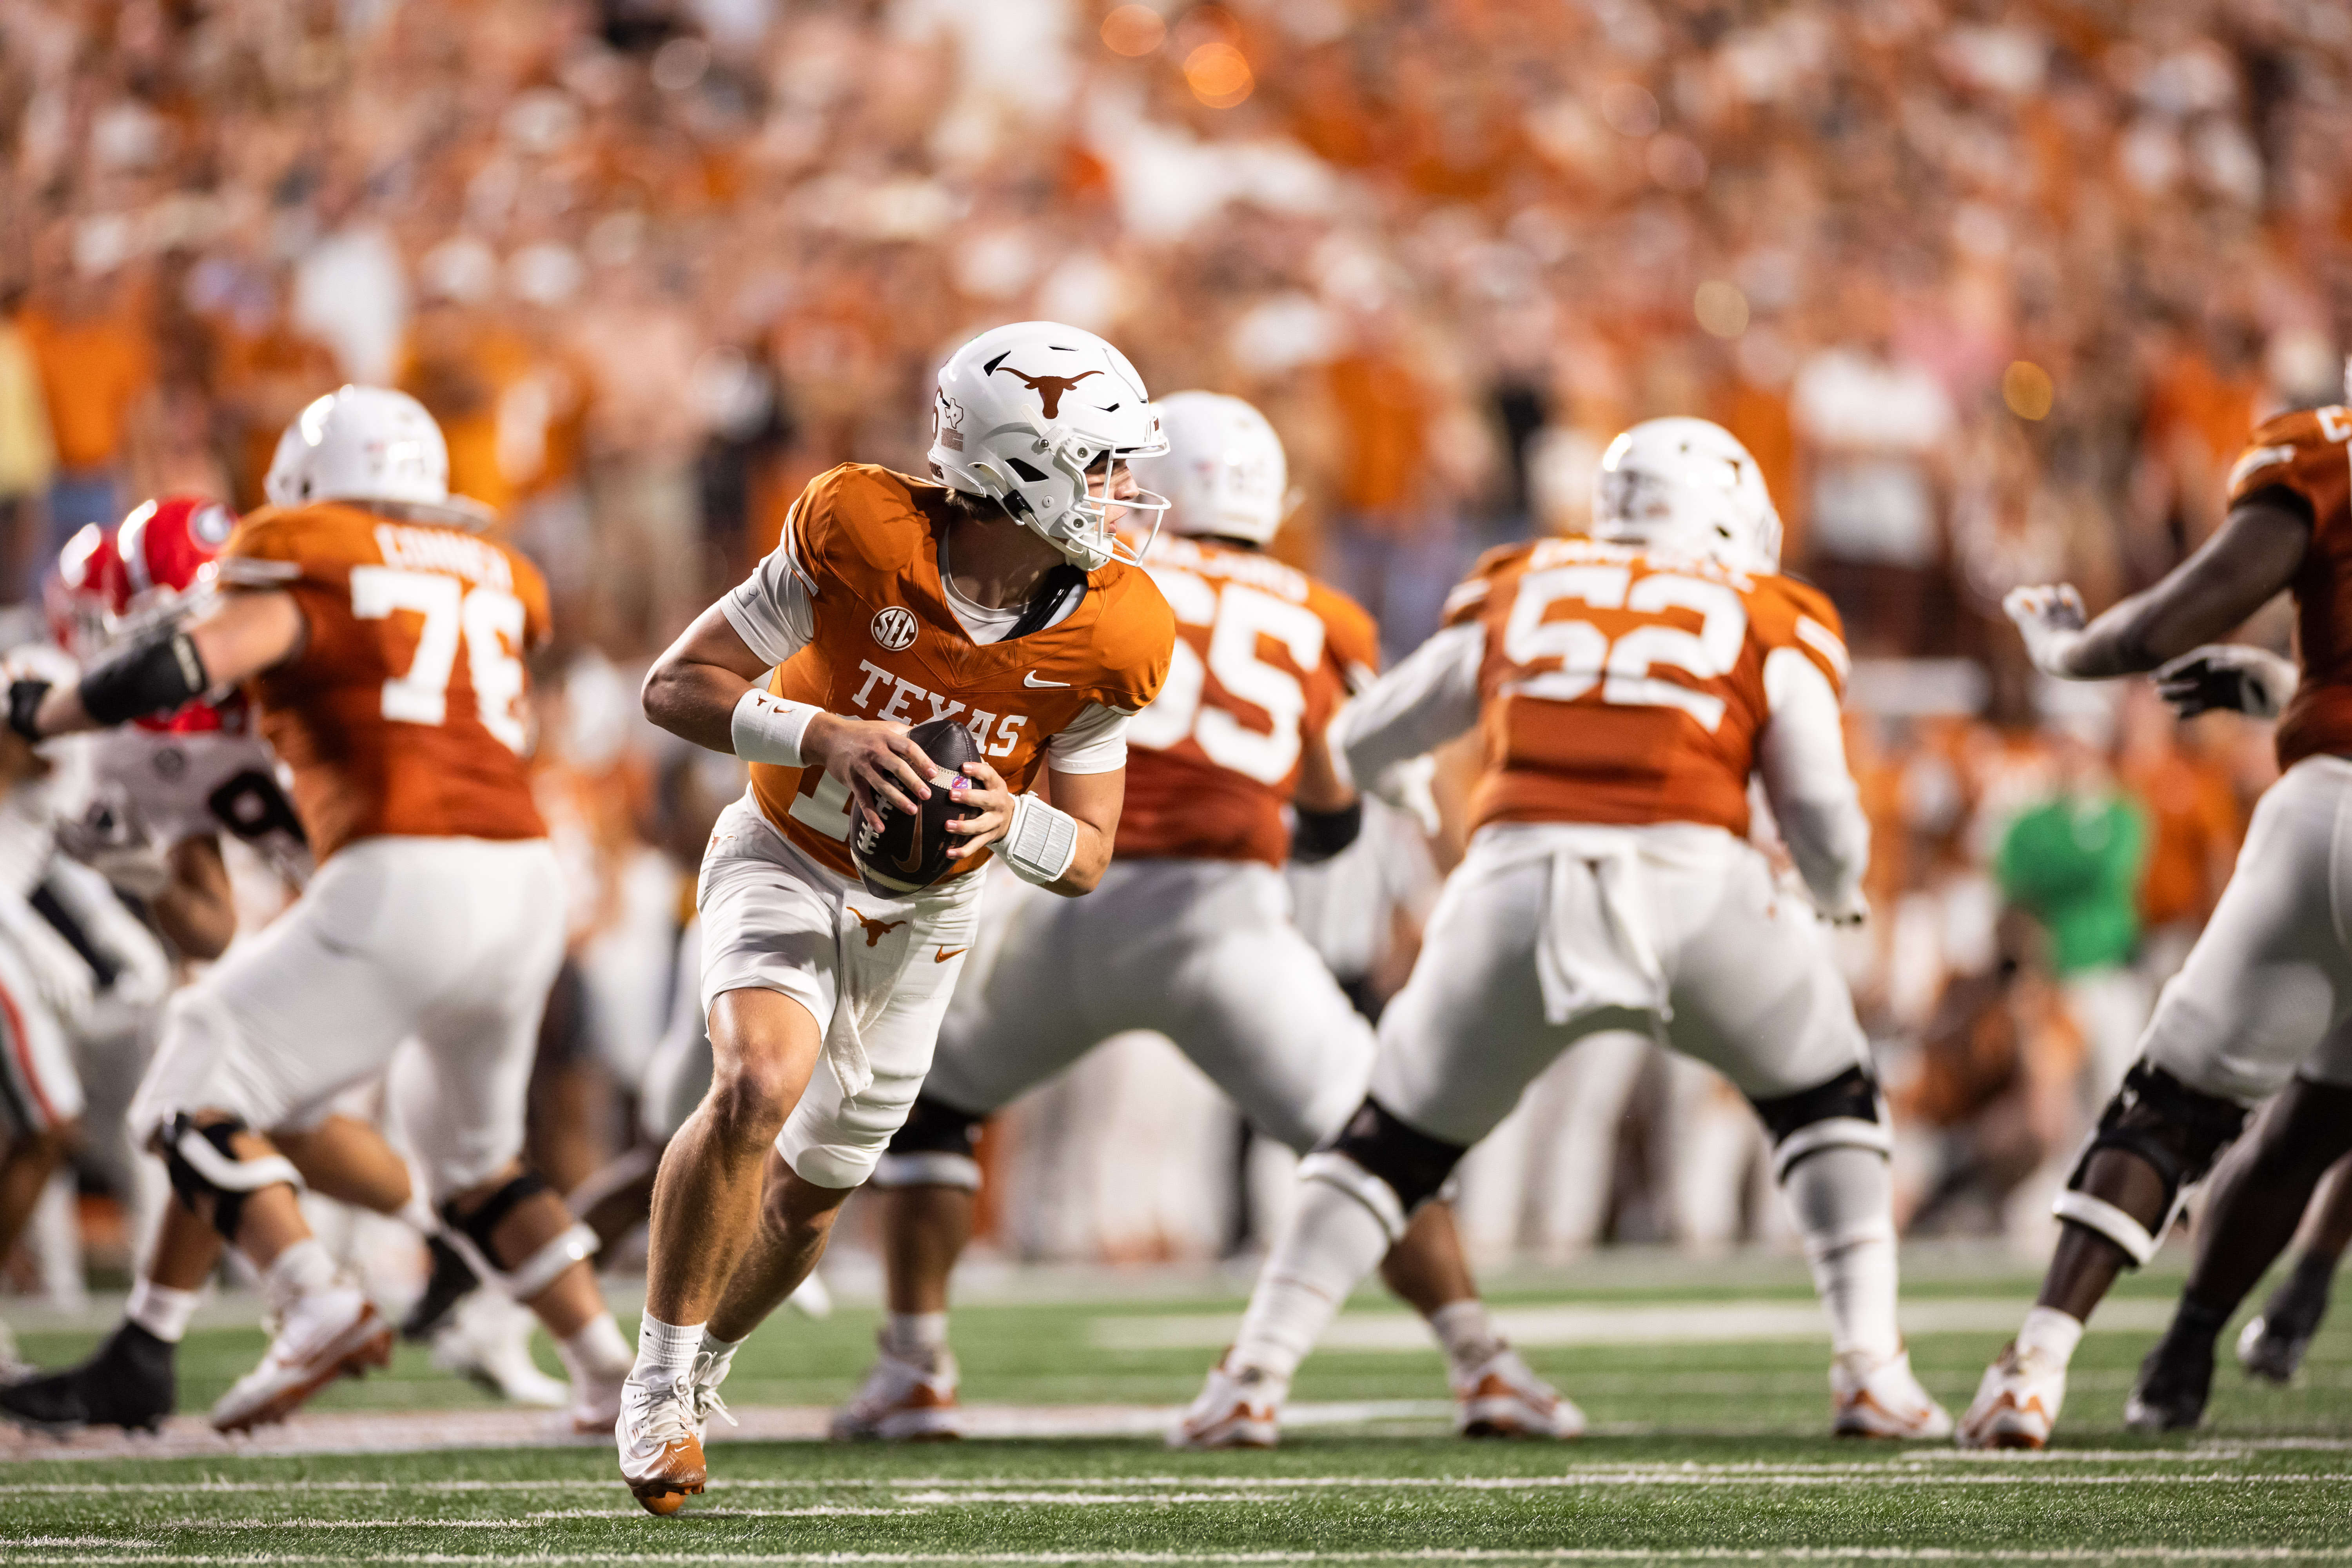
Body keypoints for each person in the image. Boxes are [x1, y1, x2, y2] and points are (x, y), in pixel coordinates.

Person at [1172, 417, 1953, 1447]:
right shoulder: (1768, 607)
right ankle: (1872, 1369)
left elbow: (1361, 737)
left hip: (1513, 884)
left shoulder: (1524, 579)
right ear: (1729, 514)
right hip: (1696, 883)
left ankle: (1253, 1376)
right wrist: (1834, 888)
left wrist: (1401, 786)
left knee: (1385, 1145)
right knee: (1828, 1100)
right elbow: (1816, 802)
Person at [835, 392, 1573, 1446]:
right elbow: (1327, 818)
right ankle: (1483, 1365)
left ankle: (913, 1368)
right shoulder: (1320, 614)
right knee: (1378, 1146)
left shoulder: (1083, 577)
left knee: (936, 1109)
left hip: (1070, 904)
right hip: (1226, 920)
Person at [617, 321, 1176, 1513]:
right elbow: (676, 687)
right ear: (1021, 468)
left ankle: (709, 1362)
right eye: (1101, 466)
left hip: (927, 915)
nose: (1124, 498)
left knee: (814, 1190)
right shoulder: (859, 532)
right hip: (783, 850)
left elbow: (1084, 855)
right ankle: (656, 1381)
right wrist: (825, 733)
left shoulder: (1117, 630)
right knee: (757, 1086)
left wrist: (1003, 826)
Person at [0, 387, 632, 1436]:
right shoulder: (484, 568)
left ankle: (312, 1298)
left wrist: (56, 710)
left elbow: (180, 663)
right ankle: (615, 1374)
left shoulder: (308, 567)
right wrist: (147, 861)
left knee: (194, 1072)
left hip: (401, 872)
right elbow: (202, 908)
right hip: (518, 876)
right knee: (469, 1162)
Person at [1969, 375, 2352, 1447]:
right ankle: (2207, 1337)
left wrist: (2062, 653)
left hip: (2321, 813)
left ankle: (2042, 1366)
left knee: (2172, 1107)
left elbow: (2162, 627)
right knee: (2320, 1122)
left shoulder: (2325, 447)